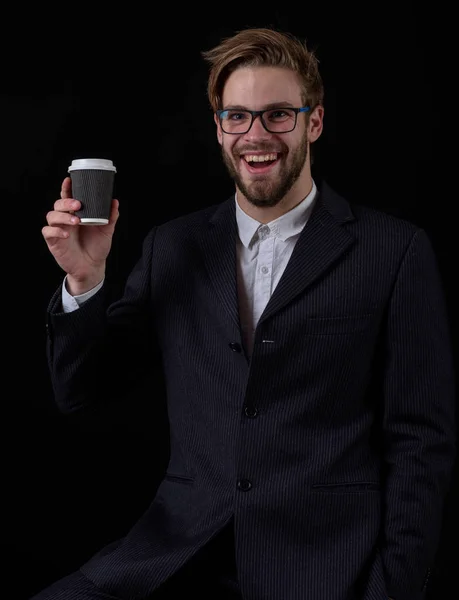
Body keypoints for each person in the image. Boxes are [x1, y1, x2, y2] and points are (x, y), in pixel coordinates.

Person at [36, 27, 455, 600]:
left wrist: (391, 590)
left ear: (315, 122)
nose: (256, 136)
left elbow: (420, 442)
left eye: (279, 114)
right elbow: (80, 391)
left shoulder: (394, 252)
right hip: (173, 555)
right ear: (218, 129)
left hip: (324, 569)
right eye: (237, 116)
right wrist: (85, 280)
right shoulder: (172, 248)